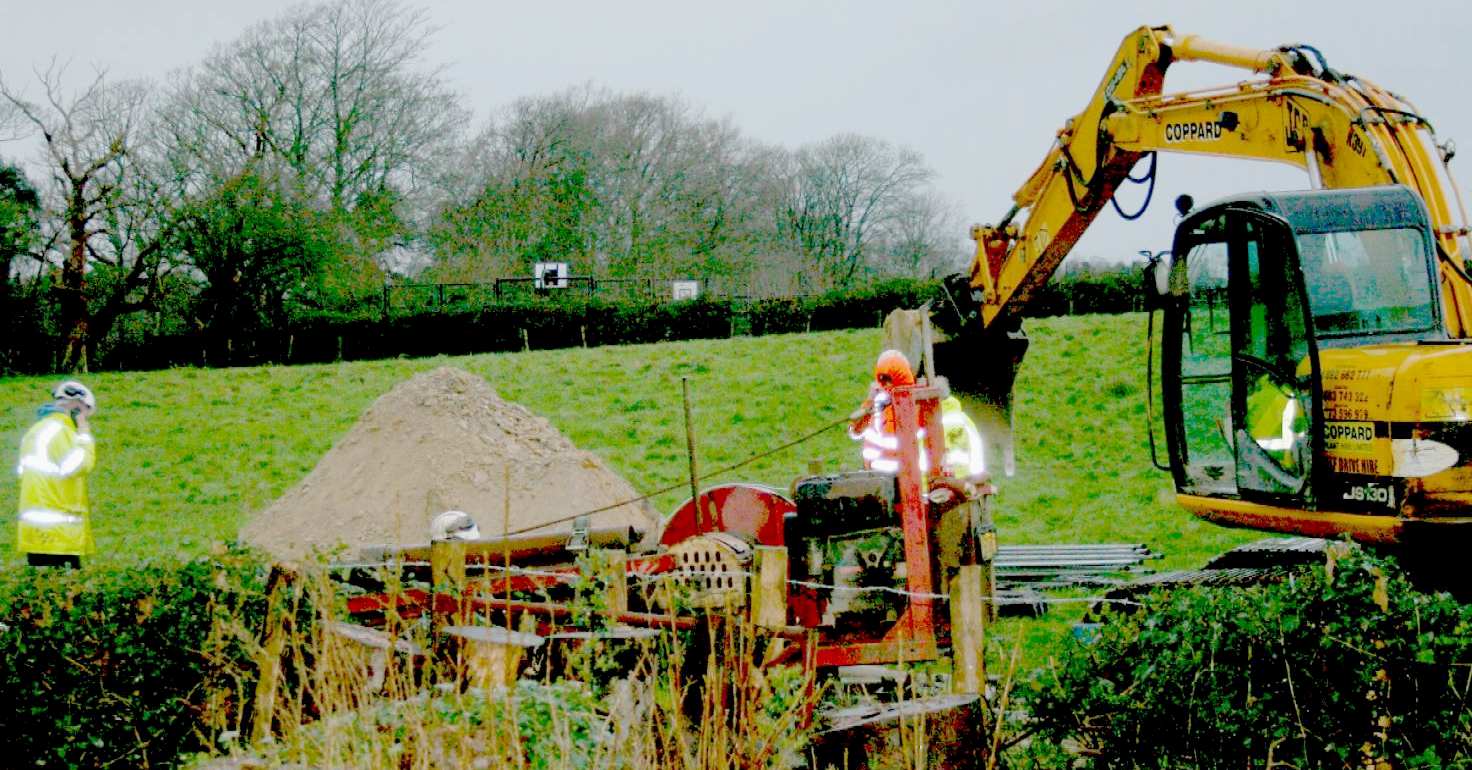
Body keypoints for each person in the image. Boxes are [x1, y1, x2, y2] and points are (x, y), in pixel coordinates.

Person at [15, 380, 97, 568]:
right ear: (76, 406)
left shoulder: (34, 431)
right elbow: (81, 464)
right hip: (58, 533)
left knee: (41, 592)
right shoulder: (62, 431)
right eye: (84, 412)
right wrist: (84, 434)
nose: (83, 418)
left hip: (34, 530)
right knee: (67, 592)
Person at [849, 350, 916, 474]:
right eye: (881, 379)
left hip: (904, 477)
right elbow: (855, 432)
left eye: (887, 379)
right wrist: (870, 401)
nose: (884, 384)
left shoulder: (913, 403)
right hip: (875, 477)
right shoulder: (877, 403)